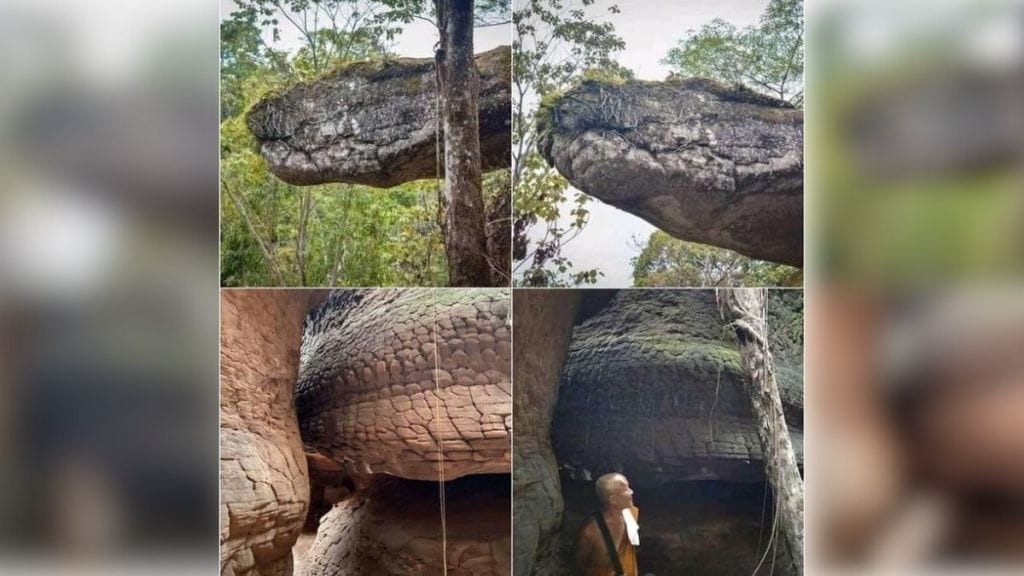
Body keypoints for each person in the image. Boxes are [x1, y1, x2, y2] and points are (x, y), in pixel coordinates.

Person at [577, 473, 640, 576]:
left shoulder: (632, 514)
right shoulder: (591, 533)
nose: (631, 492)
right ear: (613, 500)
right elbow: (581, 564)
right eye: (626, 490)